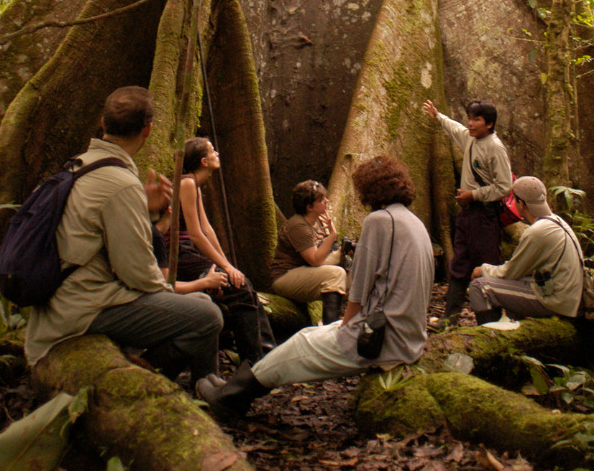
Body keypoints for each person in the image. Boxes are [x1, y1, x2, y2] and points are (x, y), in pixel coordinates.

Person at [197, 155, 434, 417]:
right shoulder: (415, 222)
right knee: (310, 334)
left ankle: (229, 400)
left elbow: (359, 288)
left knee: (301, 343)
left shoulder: (379, 220)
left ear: (370, 188)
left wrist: (344, 328)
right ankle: (235, 387)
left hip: (381, 341)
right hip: (409, 337)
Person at [24, 87, 222, 385]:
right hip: (84, 306)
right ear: (148, 129)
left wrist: (145, 209)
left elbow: (98, 226)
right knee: (208, 316)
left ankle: (207, 385)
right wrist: (174, 292)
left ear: (103, 124)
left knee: (200, 305)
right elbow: (139, 275)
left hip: (65, 298)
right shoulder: (120, 183)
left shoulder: (80, 165)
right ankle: (149, 375)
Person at [166, 136, 275, 363]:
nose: (218, 154)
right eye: (213, 151)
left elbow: (207, 229)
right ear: (204, 161)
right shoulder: (186, 183)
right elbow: (195, 234)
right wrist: (225, 267)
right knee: (239, 287)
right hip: (178, 254)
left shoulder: (193, 184)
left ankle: (269, 355)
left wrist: (228, 265)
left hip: (190, 252)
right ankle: (254, 363)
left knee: (241, 281)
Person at [422, 98, 512, 321]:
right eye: (470, 118)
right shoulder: (470, 139)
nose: (470, 124)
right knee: (459, 262)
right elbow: (455, 128)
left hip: (486, 217)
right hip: (467, 216)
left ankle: (490, 321)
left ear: (489, 124)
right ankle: (450, 318)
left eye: (476, 120)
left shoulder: (495, 148)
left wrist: (474, 194)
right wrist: (437, 115)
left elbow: (505, 186)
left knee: (487, 266)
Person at [468, 176, 584, 323]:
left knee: (479, 286)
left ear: (521, 203)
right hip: (570, 297)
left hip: (559, 302)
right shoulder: (556, 221)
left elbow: (510, 272)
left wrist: (482, 270)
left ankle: (491, 335)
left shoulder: (537, 232)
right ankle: (510, 325)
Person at [269, 179, 347, 324]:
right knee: (336, 274)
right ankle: (329, 327)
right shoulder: (298, 225)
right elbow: (315, 260)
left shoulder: (321, 221)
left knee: (353, 278)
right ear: (309, 207)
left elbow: (324, 256)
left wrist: (340, 252)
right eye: (321, 199)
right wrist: (332, 236)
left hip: (307, 271)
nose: (327, 201)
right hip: (285, 276)